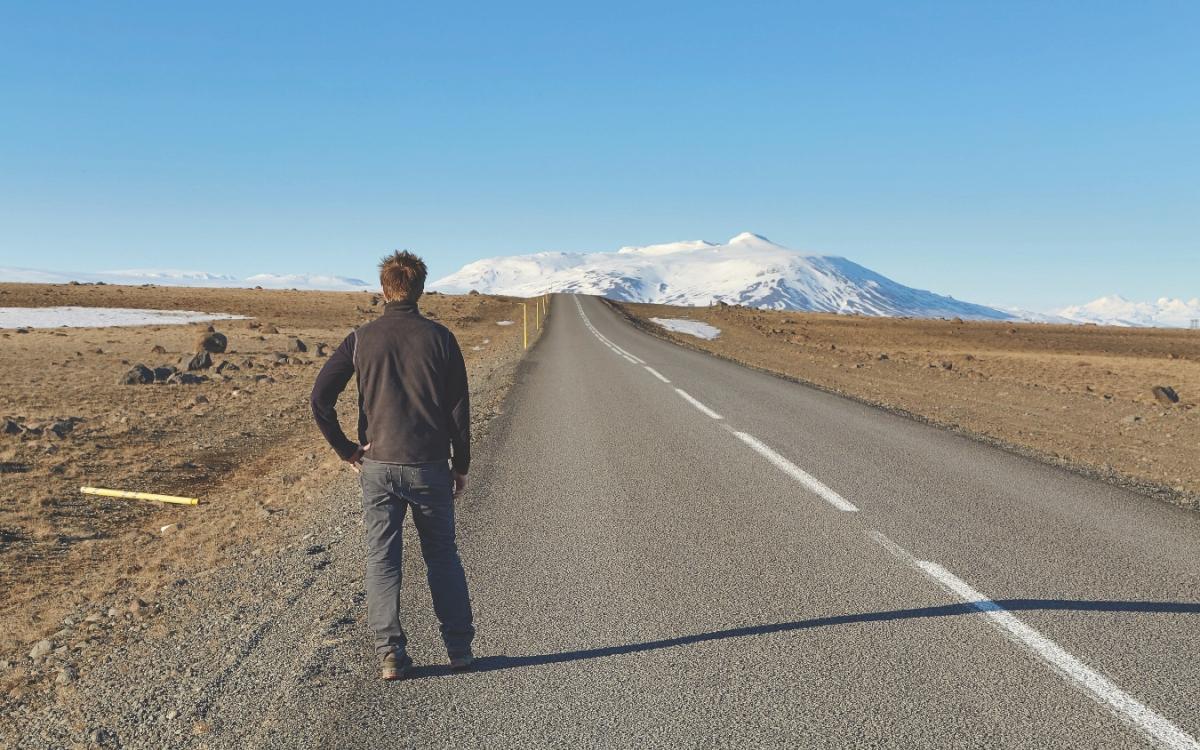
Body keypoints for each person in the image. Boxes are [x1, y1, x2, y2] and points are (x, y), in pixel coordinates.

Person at [311, 251, 475, 680]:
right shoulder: (441, 339)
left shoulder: (360, 338)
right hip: (430, 466)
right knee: (442, 556)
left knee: (382, 560)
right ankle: (459, 648)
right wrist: (461, 465)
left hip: (379, 465)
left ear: (384, 290)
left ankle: (391, 655)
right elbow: (459, 409)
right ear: (420, 289)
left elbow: (319, 399)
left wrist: (347, 449)